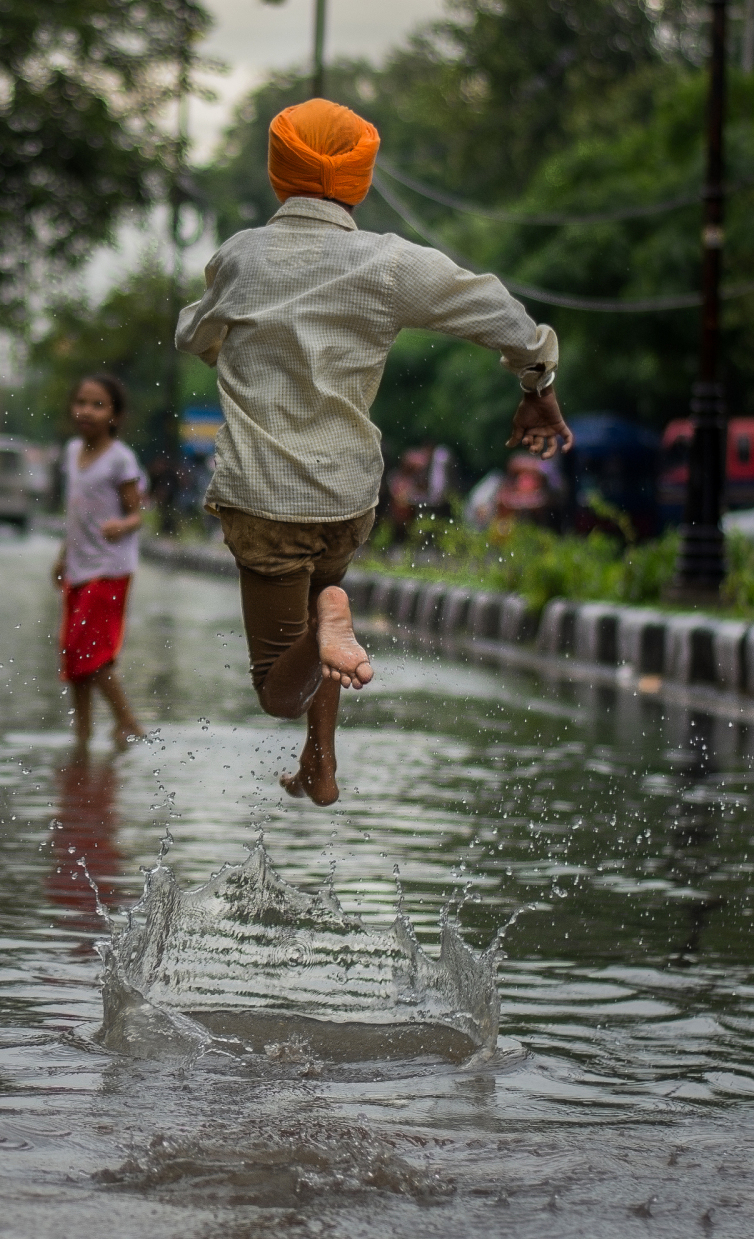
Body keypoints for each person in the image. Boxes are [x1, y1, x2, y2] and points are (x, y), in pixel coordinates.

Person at [175, 98, 572, 806]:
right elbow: (493, 308)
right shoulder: (387, 263)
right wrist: (536, 381)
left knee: (277, 685)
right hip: (347, 499)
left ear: (277, 174)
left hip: (264, 499)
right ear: (357, 181)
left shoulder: (241, 257)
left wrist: (218, 335)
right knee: (324, 616)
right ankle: (320, 765)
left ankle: (324, 652)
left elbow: (195, 337)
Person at [51, 374, 147, 752]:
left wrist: (122, 524)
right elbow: (74, 514)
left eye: (98, 404)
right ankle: (83, 734)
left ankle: (128, 722)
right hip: (78, 567)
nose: (86, 411)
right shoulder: (72, 451)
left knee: (90, 651)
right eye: (81, 402)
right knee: (73, 654)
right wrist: (62, 556)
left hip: (110, 568)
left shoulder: (121, 459)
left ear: (115, 415)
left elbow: (137, 514)